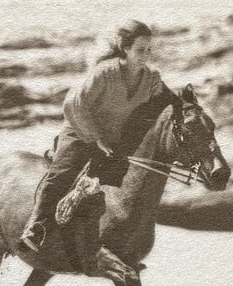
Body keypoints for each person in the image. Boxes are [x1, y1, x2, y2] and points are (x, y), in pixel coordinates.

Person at [17, 19, 166, 256]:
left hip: (114, 139)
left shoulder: (152, 78)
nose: (146, 55)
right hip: (80, 131)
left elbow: (160, 105)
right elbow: (74, 105)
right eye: (140, 50)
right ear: (124, 48)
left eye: (149, 50)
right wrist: (96, 138)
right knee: (61, 174)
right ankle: (36, 227)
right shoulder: (104, 73)